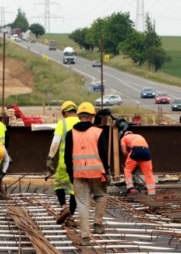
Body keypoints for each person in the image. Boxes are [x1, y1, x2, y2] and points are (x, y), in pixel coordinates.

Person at [64, 102, 110, 246]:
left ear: (79, 117)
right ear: (92, 116)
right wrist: (107, 171)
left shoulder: (70, 133)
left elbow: (67, 157)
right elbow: (103, 153)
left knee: (82, 203)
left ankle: (85, 237)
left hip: (78, 172)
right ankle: (97, 224)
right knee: (101, 195)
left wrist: (71, 175)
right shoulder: (98, 132)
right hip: (96, 171)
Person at [46, 100, 79, 225]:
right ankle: (70, 217)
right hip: (78, 163)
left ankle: (64, 208)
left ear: (64, 112)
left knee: (59, 185)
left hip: (64, 162)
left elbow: (55, 142)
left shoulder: (62, 123)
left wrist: (50, 158)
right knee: (74, 190)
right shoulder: (81, 123)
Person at [120, 131, 156, 195]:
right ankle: (152, 192)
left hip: (136, 150)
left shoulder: (124, 138)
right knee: (148, 173)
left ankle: (131, 189)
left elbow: (124, 152)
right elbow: (141, 148)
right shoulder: (138, 136)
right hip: (146, 151)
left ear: (125, 135)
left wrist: (131, 157)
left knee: (127, 170)